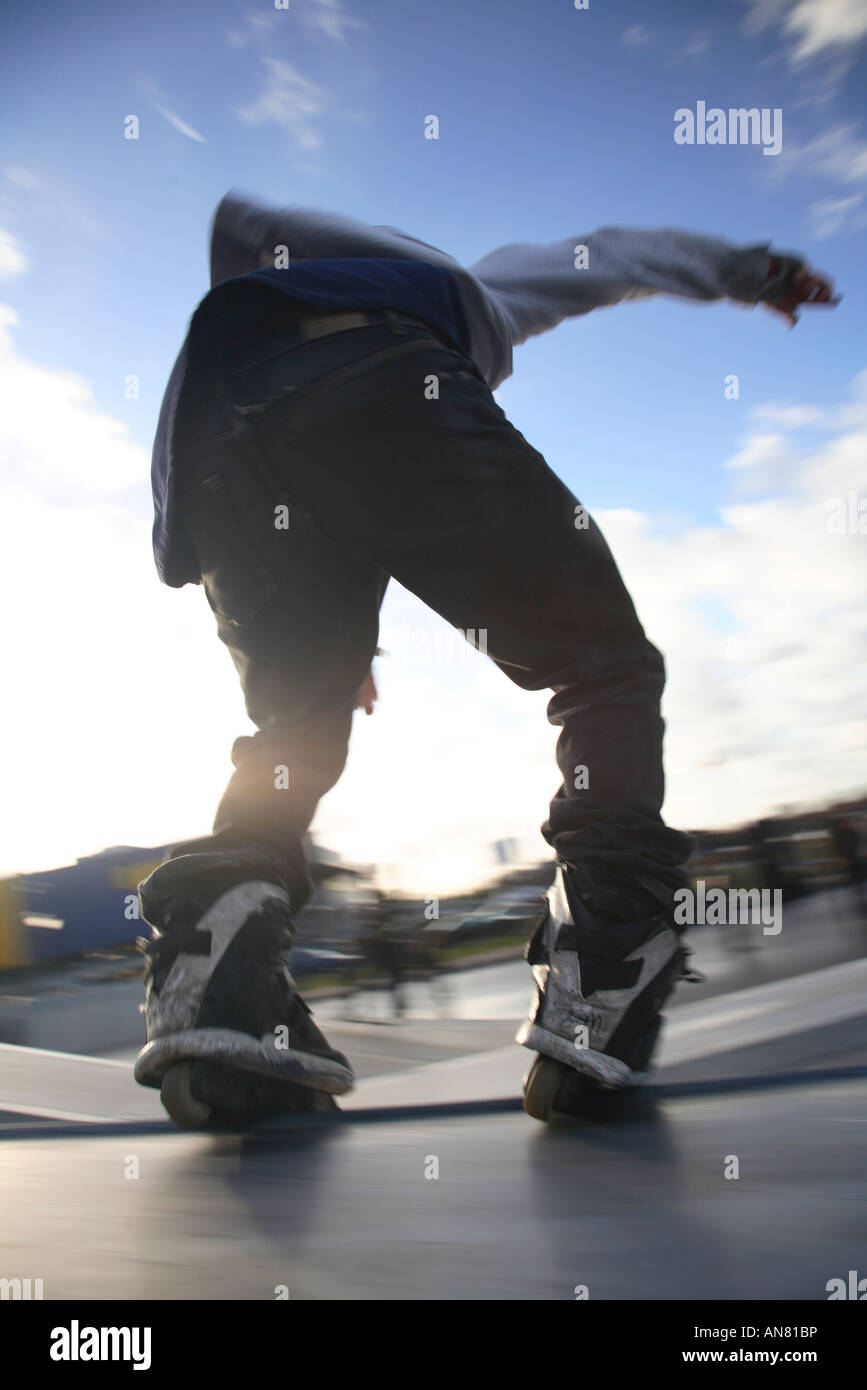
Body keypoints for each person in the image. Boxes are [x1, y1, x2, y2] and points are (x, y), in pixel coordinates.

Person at [134, 191, 835, 1126]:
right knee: (604, 664)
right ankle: (608, 960)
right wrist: (755, 272)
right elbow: (611, 247)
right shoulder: (457, 288)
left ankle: (214, 965)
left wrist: (338, 643)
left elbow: (324, 476)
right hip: (373, 374)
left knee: (296, 725)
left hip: (207, 452)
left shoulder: (253, 309)